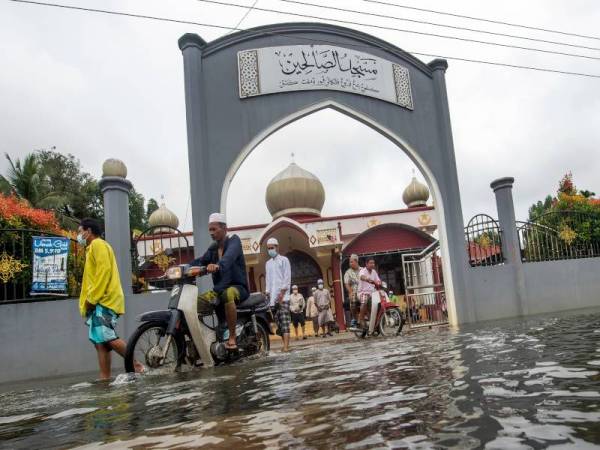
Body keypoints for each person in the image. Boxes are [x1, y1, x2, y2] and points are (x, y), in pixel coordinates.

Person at [78, 218, 142, 380]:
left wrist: (92, 299)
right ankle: (104, 378)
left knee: (106, 336)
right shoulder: (93, 247)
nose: (79, 235)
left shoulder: (98, 245)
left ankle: (137, 366)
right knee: (100, 343)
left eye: (80, 231)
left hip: (103, 300)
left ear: (88, 231)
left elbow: (103, 273)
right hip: (99, 300)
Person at [189, 213, 248, 351]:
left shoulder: (234, 241)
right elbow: (200, 261)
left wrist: (218, 265)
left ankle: (232, 337)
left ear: (224, 228)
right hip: (219, 290)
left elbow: (229, 257)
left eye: (214, 229)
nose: (211, 233)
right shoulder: (213, 249)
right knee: (194, 304)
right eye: (210, 230)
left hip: (238, 288)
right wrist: (182, 268)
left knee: (228, 294)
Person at [265, 237, 292, 352]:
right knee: (278, 323)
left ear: (277, 247)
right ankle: (285, 344)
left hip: (283, 297)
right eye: (268, 248)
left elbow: (287, 277)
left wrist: (282, 293)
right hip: (272, 300)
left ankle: (286, 347)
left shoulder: (284, 260)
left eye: (272, 248)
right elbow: (268, 280)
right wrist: (267, 293)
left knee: (285, 321)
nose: (270, 250)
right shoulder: (267, 263)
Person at [357, 257, 381, 331]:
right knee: (364, 302)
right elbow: (361, 277)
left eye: (373, 263)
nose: (372, 264)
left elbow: (378, 280)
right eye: (370, 263)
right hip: (362, 292)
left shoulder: (374, 272)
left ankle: (375, 323)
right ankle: (360, 319)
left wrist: (379, 283)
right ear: (366, 264)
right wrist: (367, 279)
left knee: (378, 305)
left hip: (372, 293)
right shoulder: (362, 271)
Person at [343, 254, 361, 328]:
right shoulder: (348, 272)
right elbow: (347, 284)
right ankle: (355, 319)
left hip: (364, 291)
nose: (350, 264)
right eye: (349, 262)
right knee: (353, 303)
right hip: (354, 292)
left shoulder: (363, 270)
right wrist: (350, 292)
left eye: (351, 262)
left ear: (356, 262)